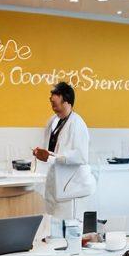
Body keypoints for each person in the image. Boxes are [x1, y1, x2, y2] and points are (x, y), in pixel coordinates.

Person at [32, 81, 94, 219]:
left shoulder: (77, 124)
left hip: (70, 188)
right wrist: (42, 154)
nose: (52, 104)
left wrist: (51, 157)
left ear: (67, 101)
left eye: (55, 101)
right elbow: (50, 149)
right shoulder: (52, 121)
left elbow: (81, 156)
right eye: (51, 101)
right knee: (52, 225)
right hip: (54, 184)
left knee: (68, 227)